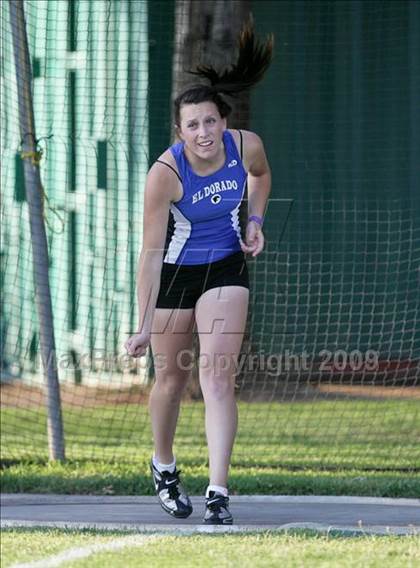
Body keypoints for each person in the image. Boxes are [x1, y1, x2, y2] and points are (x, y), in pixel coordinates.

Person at [125, 20, 273, 525]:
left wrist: (254, 220)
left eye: (210, 122)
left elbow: (261, 176)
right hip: (174, 274)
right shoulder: (165, 174)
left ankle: (218, 493)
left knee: (216, 375)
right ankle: (164, 465)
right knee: (170, 377)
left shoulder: (244, 146)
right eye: (193, 126)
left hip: (226, 267)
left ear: (222, 120)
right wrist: (143, 323)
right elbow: (149, 253)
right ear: (179, 131)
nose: (204, 133)